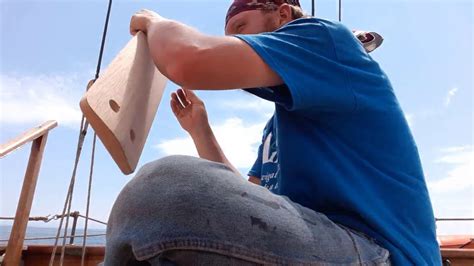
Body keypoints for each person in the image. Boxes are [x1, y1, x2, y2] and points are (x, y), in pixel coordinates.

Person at [104, 0, 441, 265]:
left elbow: (189, 60)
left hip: (383, 253)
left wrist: (153, 22)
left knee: (160, 187)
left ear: (281, 14)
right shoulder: (280, 126)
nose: (237, 40)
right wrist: (200, 130)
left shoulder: (326, 38)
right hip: (322, 245)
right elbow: (249, 198)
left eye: (240, 27)